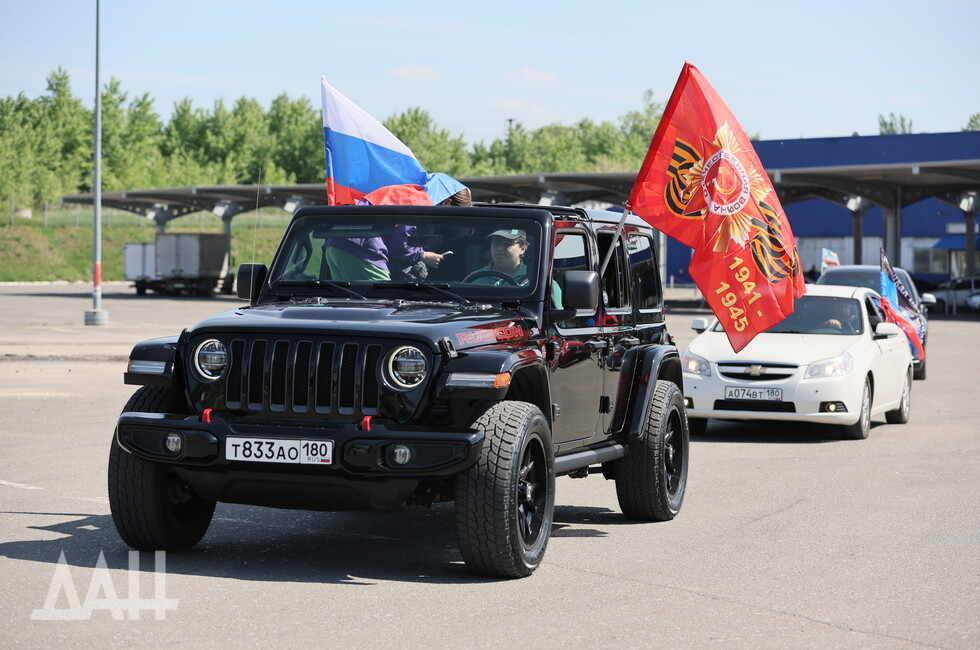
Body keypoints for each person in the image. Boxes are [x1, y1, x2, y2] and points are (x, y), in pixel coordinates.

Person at [464, 229, 530, 286]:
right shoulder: (474, 278)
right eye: (496, 243)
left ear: (522, 249)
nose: (499, 248)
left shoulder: (533, 279)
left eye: (507, 243)